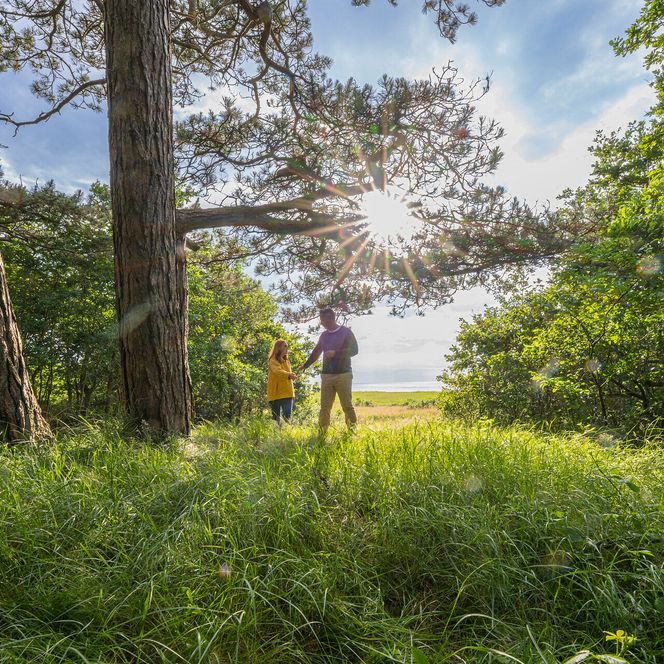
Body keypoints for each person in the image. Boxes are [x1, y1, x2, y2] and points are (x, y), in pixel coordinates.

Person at [300, 308, 359, 430]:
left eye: (323, 320)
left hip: (343, 374)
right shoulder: (324, 335)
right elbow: (316, 352)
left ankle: (352, 430)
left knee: (347, 406)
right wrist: (306, 365)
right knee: (325, 407)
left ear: (331, 318)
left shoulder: (345, 332)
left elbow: (355, 350)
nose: (321, 323)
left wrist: (335, 353)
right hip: (326, 376)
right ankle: (322, 432)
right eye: (321, 320)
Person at [267, 339, 296, 424]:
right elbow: (277, 371)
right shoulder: (272, 360)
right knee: (275, 418)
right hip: (275, 393)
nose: (287, 348)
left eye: (287, 346)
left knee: (287, 416)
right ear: (278, 348)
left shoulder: (286, 360)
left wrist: (290, 375)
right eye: (285, 346)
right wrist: (289, 375)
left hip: (287, 392)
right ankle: (276, 435)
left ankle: (287, 434)